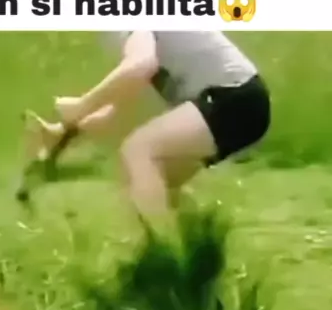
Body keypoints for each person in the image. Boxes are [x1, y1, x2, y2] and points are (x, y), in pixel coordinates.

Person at [22, 31, 271, 240]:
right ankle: (196, 249)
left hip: (233, 97)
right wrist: (64, 132)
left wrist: (82, 104)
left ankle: (165, 257)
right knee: (156, 181)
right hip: (242, 102)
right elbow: (119, 111)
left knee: (138, 150)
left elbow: (140, 66)